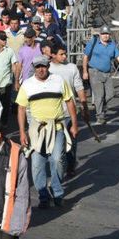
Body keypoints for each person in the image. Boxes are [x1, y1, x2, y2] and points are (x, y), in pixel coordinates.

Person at [16, 55, 78, 209]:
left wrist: (74, 124)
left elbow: (69, 102)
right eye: (37, 67)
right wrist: (22, 132)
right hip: (36, 130)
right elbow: (21, 108)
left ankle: (57, 192)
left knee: (57, 160)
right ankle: (43, 196)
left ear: (48, 66)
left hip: (57, 127)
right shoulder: (28, 85)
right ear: (34, 68)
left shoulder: (59, 81)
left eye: (43, 66)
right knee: (37, 164)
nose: (41, 69)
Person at [50, 44, 89, 176]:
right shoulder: (47, 68)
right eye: (61, 54)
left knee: (71, 142)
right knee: (56, 146)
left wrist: (85, 107)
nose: (65, 56)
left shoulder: (72, 68)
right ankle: (58, 169)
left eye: (65, 54)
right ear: (53, 55)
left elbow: (79, 88)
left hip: (69, 113)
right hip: (53, 115)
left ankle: (70, 166)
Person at [82, 25, 119, 124]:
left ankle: (101, 108)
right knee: (99, 95)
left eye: (107, 34)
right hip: (94, 72)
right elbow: (85, 57)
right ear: (100, 34)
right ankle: (100, 116)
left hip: (107, 73)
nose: (105, 36)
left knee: (110, 94)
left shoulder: (112, 44)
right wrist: (85, 71)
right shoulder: (93, 42)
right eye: (103, 34)